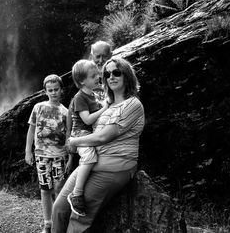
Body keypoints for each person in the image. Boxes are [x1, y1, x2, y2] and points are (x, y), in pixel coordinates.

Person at [52, 57, 145, 233]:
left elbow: (103, 137)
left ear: (127, 76)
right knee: (59, 208)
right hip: (90, 163)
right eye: (107, 73)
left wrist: (74, 142)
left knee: (78, 220)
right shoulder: (106, 105)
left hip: (113, 167)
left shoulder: (133, 104)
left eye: (117, 72)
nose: (111, 77)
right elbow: (77, 115)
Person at [25, 74, 69, 233]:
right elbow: (31, 130)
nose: (53, 92)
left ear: (61, 90)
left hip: (59, 156)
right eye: (50, 90)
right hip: (41, 155)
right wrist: (27, 151)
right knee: (45, 189)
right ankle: (47, 223)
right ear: (45, 91)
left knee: (59, 188)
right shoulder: (38, 107)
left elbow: (68, 136)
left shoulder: (65, 112)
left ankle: (58, 223)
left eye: (56, 89)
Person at [66, 60, 109, 217]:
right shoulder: (80, 98)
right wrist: (105, 108)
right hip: (80, 134)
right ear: (82, 81)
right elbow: (88, 120)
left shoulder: (95, 95)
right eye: (93, 76)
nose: (98, 77)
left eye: (97, 74)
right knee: (90, 157)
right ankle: (76, 193)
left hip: (89, 133)